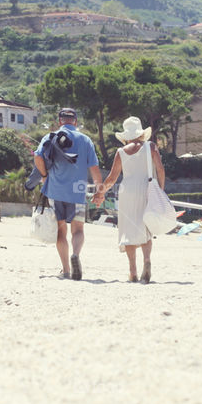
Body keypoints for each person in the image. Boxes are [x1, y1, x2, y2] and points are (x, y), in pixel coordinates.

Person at [92, 117, 165, 283]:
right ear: (140, 133)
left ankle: (133, 271)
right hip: (147, 189)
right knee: (146, 228)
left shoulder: (121, 152)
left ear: (126, 135)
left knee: (129, 230)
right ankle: (146, 260)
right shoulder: (151, 147)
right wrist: (160, 190)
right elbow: (160, 169)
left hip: (127, 192)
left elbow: (111, 178)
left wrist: (100, 193)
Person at [33, 108, 101, 280]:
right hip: (77, 193)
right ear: (75, 122)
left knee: (61, 232)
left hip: (55, 192)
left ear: (59, 121)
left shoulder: (50, 137)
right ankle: (76, 255)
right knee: (78, 229)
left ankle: (65, 270)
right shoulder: (85, 140)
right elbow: (94, 168)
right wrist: (99, 192)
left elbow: (37, 157)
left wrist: (44, 175)